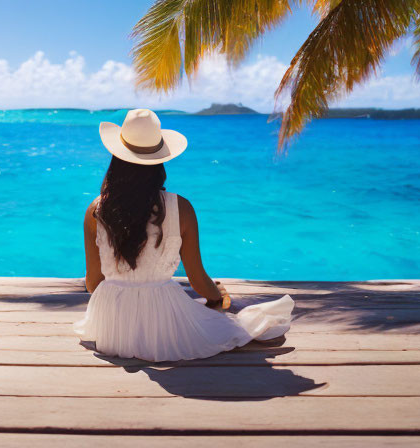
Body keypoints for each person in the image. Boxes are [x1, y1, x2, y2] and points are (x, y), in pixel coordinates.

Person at [74, 108, 294, 361]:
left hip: (111, 329)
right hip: (163, 323)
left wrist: (121, 306)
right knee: (230, 326)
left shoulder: (96, 210)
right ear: (159, 160)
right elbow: (197, 279)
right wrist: (217, 298)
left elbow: (93, 283)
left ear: (117, 158)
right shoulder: (181, 209)